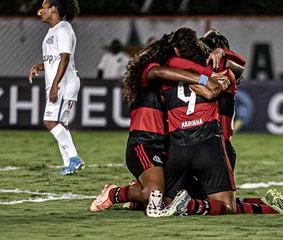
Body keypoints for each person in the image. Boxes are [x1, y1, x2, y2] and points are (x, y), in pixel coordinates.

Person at [161, 27, 283, 216]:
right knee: (222, 205)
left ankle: (268, 205)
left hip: (182, 144)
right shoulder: (224, 74)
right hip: (215, 145)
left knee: (189, 198)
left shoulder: (172, 71)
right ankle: (269, 207)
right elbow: (239, 66)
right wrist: (223, 54)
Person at [89, 32, 229, 216]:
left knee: (193, 195)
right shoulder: (150, 69)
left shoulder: (174, 76)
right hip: (145, 143)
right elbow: (160, 72)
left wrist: (220, 52)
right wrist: (204, 79)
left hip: (169, 145)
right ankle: (115, 193)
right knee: (153, 194)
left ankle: (138, 192)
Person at [28, 0, 84, 175]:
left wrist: (55, 85)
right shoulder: (53, 31)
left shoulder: (64, 28)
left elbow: (65, 58)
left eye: (42, 9)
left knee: (50, 122)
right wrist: (40, 66)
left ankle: (75, 159)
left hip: (63, 83)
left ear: (53, 9)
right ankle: (69, 165)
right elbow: (55, 60)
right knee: (62, 124)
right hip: (60, 83)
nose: (41, 13)